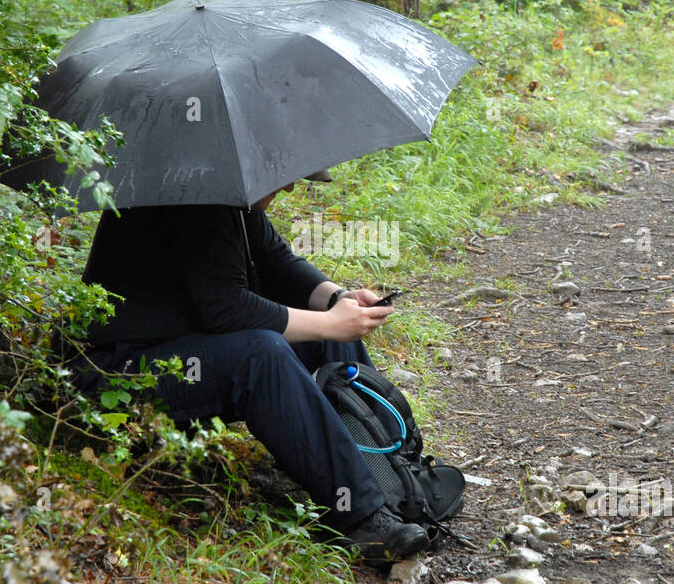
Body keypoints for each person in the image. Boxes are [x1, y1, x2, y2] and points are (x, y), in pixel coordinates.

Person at [66, 172, 429, 563]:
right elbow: (225, 308)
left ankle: (397, 480)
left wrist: (338, 300)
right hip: (116, 374)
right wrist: (330, 322)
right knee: (263, 353)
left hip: (179, 352)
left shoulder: (228, 191)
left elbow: (276, 261)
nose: (290, 188)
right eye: (283, 177)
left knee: (328, 330)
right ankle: (362, 519)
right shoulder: (193, 192)